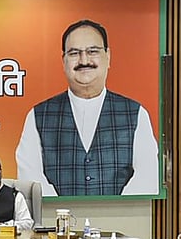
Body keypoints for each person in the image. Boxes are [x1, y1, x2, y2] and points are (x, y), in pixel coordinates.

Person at [16, 19, 158, 196]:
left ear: (108, 56)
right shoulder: (38, 116)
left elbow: (146, 177)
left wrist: (115, 215)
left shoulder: (135, 114)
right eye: (74, 53)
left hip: (121, 222)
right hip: (56, 222)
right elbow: (31, 180)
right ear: (64, 61)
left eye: (92, 51)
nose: (84, 60)